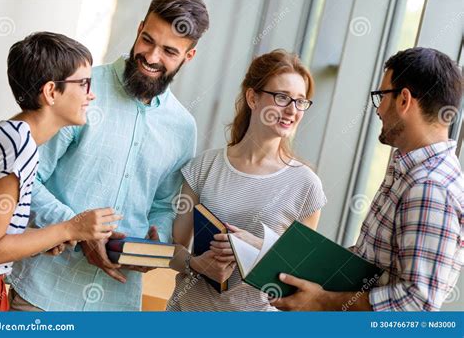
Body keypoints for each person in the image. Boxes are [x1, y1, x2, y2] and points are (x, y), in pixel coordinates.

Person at [8, 0, 209, 311]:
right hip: (42, 293)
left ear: (189, 55)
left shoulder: (184, 128)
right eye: (147, 40)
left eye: (170, 51)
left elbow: (163, 205)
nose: (152, 57)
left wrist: (154, 245)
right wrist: (77, 228)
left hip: (116, 304)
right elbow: (26, 180)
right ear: (139, 28)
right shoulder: (80, 91)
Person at [271, 47, 463, 311]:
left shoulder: (430, 187)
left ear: (404, 100)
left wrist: (321, 301)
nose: (379, 109)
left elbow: (417, 306)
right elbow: (373, 261)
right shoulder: (409, 171)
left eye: (381, 96)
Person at [167, 49, 327, 311]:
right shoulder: (204, 166)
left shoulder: (306, 185)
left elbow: (299, 277)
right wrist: (196, 264)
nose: (292, 110)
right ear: (252, 97)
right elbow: (173, 247)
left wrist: (255, 249)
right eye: (282, 97)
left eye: (300, 101)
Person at [0, 32, 120, 311]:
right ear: (51, 92)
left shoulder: (18, 138)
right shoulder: (18, 144)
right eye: (84, 83)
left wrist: (47, 237)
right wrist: (70, 228)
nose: (92, 94)